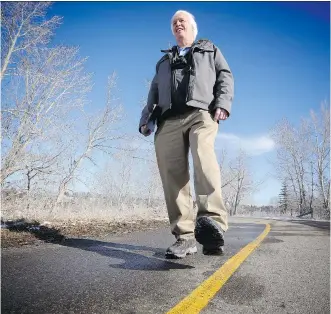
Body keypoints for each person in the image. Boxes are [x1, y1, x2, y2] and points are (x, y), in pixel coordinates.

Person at [138, 10, 234, 258]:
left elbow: (225, 75)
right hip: (168, 120)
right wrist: (145, 120)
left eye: (182, 20)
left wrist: (222, 102)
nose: (178, 23)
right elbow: (153, 93)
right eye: (174, 22)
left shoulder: (209, 49)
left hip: (201, 113)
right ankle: (185, 237)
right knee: (172, 175)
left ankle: (212, 224)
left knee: (203, 155)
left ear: (193, 27)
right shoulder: (163, 62)